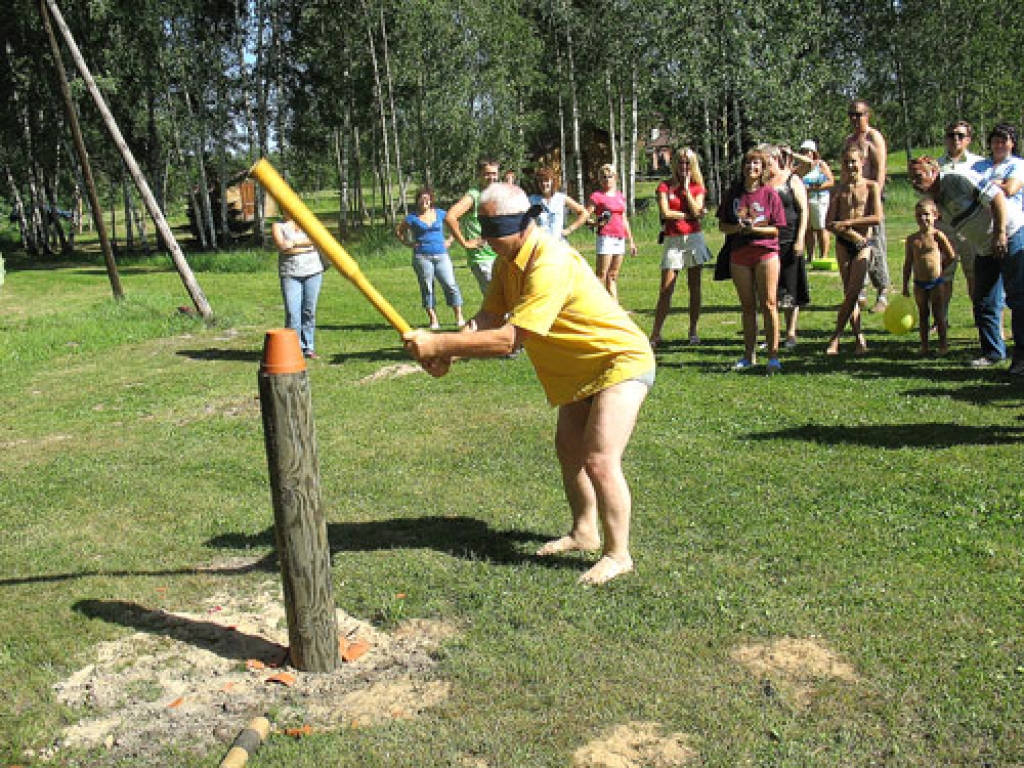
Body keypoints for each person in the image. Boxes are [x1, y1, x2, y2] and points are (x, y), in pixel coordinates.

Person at [402, 183, 655, 586]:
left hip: (618, 360)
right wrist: (451, 350)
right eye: (481, 227)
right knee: (569, 450)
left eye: (493, 228)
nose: (485, 238)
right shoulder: (509, 257)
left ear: (522, 223)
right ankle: (584, 532)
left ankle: (618, 554)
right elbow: (489, 317)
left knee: (600, 459)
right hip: (577, 370)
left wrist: (438, 342)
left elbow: (510, 340)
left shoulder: (549, 261)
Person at [908, 155, 1024, 374]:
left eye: (918, 176)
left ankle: (1022, 359)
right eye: (911, 178)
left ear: (934, 172)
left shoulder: (957, 178)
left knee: (1018, 299)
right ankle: (992, 353)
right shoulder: (936, 200)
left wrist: (1000, 234)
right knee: (983, 300)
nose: (914, 182)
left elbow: (997, 197)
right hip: (984, 248)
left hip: (1010, 235)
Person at [717, 146, 786, 373]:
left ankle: (773, 355)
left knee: (769, 303)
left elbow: (777, 229)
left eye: (757, 163)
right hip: (739, 254)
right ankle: (749, 355)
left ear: (763, 168)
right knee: (747, 306)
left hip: (765, 252)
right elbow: (722, 225)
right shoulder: (733, 193)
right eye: (748, 163)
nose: (752, 167)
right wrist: (738, 227)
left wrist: (755, 229)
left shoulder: (770, 194)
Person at [649, 147, 712, 348]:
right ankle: (656, 333)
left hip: (693, 239)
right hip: (673, 240)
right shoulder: (664, 187)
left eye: (687, 163)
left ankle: (693, 330)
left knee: (695, 287)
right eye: (680, 163)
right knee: (666, 289)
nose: (683, 167)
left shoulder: (697, 187)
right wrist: (690, 215)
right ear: (674, 164)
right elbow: (666, 213)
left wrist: (686, 191)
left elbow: (697, 208)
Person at [825, 145, 882, 356]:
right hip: (844, 244)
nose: (851, 166)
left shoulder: (871, 187)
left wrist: (848, 223)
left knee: (853, 292)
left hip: (863, 246)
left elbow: (877, 217)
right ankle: (859, 339)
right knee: (850, 293)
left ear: (862, 162)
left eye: (854, 162)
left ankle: (836, 337)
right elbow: (829, 222)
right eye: (847, 162)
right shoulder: (838, 190)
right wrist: (850, 233)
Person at [395, 186, 466, 330]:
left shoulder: (440, 214)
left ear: (431, 200)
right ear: (417, 201)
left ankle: (459, 316)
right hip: (422, 256)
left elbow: (455, 224)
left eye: (427, 199)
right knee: (427, 287)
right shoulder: (412, 218)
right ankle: (433, 319)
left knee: (450, 284)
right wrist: (408, 243)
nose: (424, 201)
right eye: (421, 199)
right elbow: (399, 231)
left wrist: (450, 240)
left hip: (441, 255)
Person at [843, 99, 891, 313]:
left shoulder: (874, 137)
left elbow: (880, 168)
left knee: (876, 245)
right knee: (854, 243)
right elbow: (845, 169)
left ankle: (882, 291)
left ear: (867, 115)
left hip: (871, 197)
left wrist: (875, 197)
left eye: (859, 114)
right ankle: (858, 290)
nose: (855, 118)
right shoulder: (849, 140)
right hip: (853, 199)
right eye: (851, 114)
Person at [937, 120, 988, 313]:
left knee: (974, 274)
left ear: (968, 139)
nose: (955, 139)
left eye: (960, 135)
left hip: (972, 227)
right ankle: (941, 319)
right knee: (943, 274)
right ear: (946, 139)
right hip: (945, 226)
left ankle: (980, 315)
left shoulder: (979, 164)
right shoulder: (936, 165)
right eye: (951, 135)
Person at [902, 199, 956, 355]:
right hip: (919, 283)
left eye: (926, 214)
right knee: (923, 314)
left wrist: (941, 269)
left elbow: (952, 256)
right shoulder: (912, 239)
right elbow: (908, 263)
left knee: (938, 314)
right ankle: (924, 346)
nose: (922, 218)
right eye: (919, 215)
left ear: (935, 216)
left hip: (936, 281)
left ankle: (943, 345)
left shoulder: (938, 236)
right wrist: (905, 285)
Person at [768, 144, 810, 348]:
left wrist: (800, 238)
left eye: (769, 160)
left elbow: (803, 210)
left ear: (778, 159)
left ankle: (791, 332)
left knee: (790, 287)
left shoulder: (792, 179)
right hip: (767, 241)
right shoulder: (761, 183)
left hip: (789, 238)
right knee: (770, 290)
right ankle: (772, 333)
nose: (767, 165)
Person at [272, 214, 325, 359]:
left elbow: (319, 239)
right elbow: (282, 246)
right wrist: (307, 246)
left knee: (309, 311)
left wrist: (294, 244)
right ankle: (293, 349)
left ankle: (308, 347)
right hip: (290, 274)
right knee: (292, 312)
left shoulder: (308, 221)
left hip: (313, 271)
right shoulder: (278, 226)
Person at [447, 159, 501, 295]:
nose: (491, 178)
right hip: (482, 258)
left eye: (494, 174)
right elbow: (450, 217)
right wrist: (465, 243)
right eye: (487, 174)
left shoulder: (496, 194)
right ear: (479, 175)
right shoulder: (473, 196)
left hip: (498, 255)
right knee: (496, 301)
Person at [587, 164, 637, 302]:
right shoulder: (597, 196)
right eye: (604, 177)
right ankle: (595, 306)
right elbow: (585, 216)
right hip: (605, 238)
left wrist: (631, 241)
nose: (607, 180)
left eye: (610, 177)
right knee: (601, 274)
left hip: (619, 238)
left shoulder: (620, 196)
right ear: (600, 180)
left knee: (613, 275)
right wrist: (596, 223)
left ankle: (615, 308)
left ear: (615, 178)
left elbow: (624, 219)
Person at [794, 139, 834, 263]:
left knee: (821, 227)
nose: (806, 154)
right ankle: (810, 256)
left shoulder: (820, 165)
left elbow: (830, 182)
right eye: (803, 151)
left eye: (808, 151)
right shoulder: (799, 167)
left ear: (814, 153)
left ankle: (824, 255)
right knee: (808, 229)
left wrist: (813, 188)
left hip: (819, 199)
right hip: (805, 200)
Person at [528, 167, 589, 242]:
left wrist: (569, 229)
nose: (544, 184)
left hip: (559, 245)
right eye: (540, 181)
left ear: (552, 181)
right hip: (540, 245)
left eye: (546, 180)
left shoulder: (561, 198)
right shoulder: (531, 200)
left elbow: (584, 213)